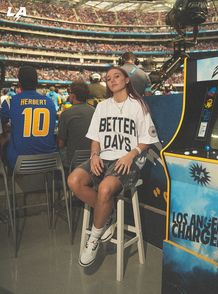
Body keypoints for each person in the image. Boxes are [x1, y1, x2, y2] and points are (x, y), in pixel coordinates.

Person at [68, 66, 159, 267]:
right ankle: (106, 214)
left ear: (127, 80)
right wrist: (94, 155)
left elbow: (148, 140)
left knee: (105, 188)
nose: (112, 80)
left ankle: (94, 238)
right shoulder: (102, 106)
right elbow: (95, 138)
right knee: (74, 181)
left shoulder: (138, 105)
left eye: (117, 76)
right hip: (103, 158)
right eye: (108, 78)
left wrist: (131, 155)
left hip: (127, 159)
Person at [0, 66, 57, 169]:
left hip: (20, 162)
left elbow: (4, 129)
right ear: (37, 83)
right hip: (47, 160)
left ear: (19, 84)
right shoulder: (50, 102)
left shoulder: (9, 102)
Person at [57, 79, 95, 167]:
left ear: (73, 96)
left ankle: (60, 180)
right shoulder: (95, 111)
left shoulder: (66, 113)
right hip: (92, 157)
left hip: (73, 161)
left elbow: (61, 144)